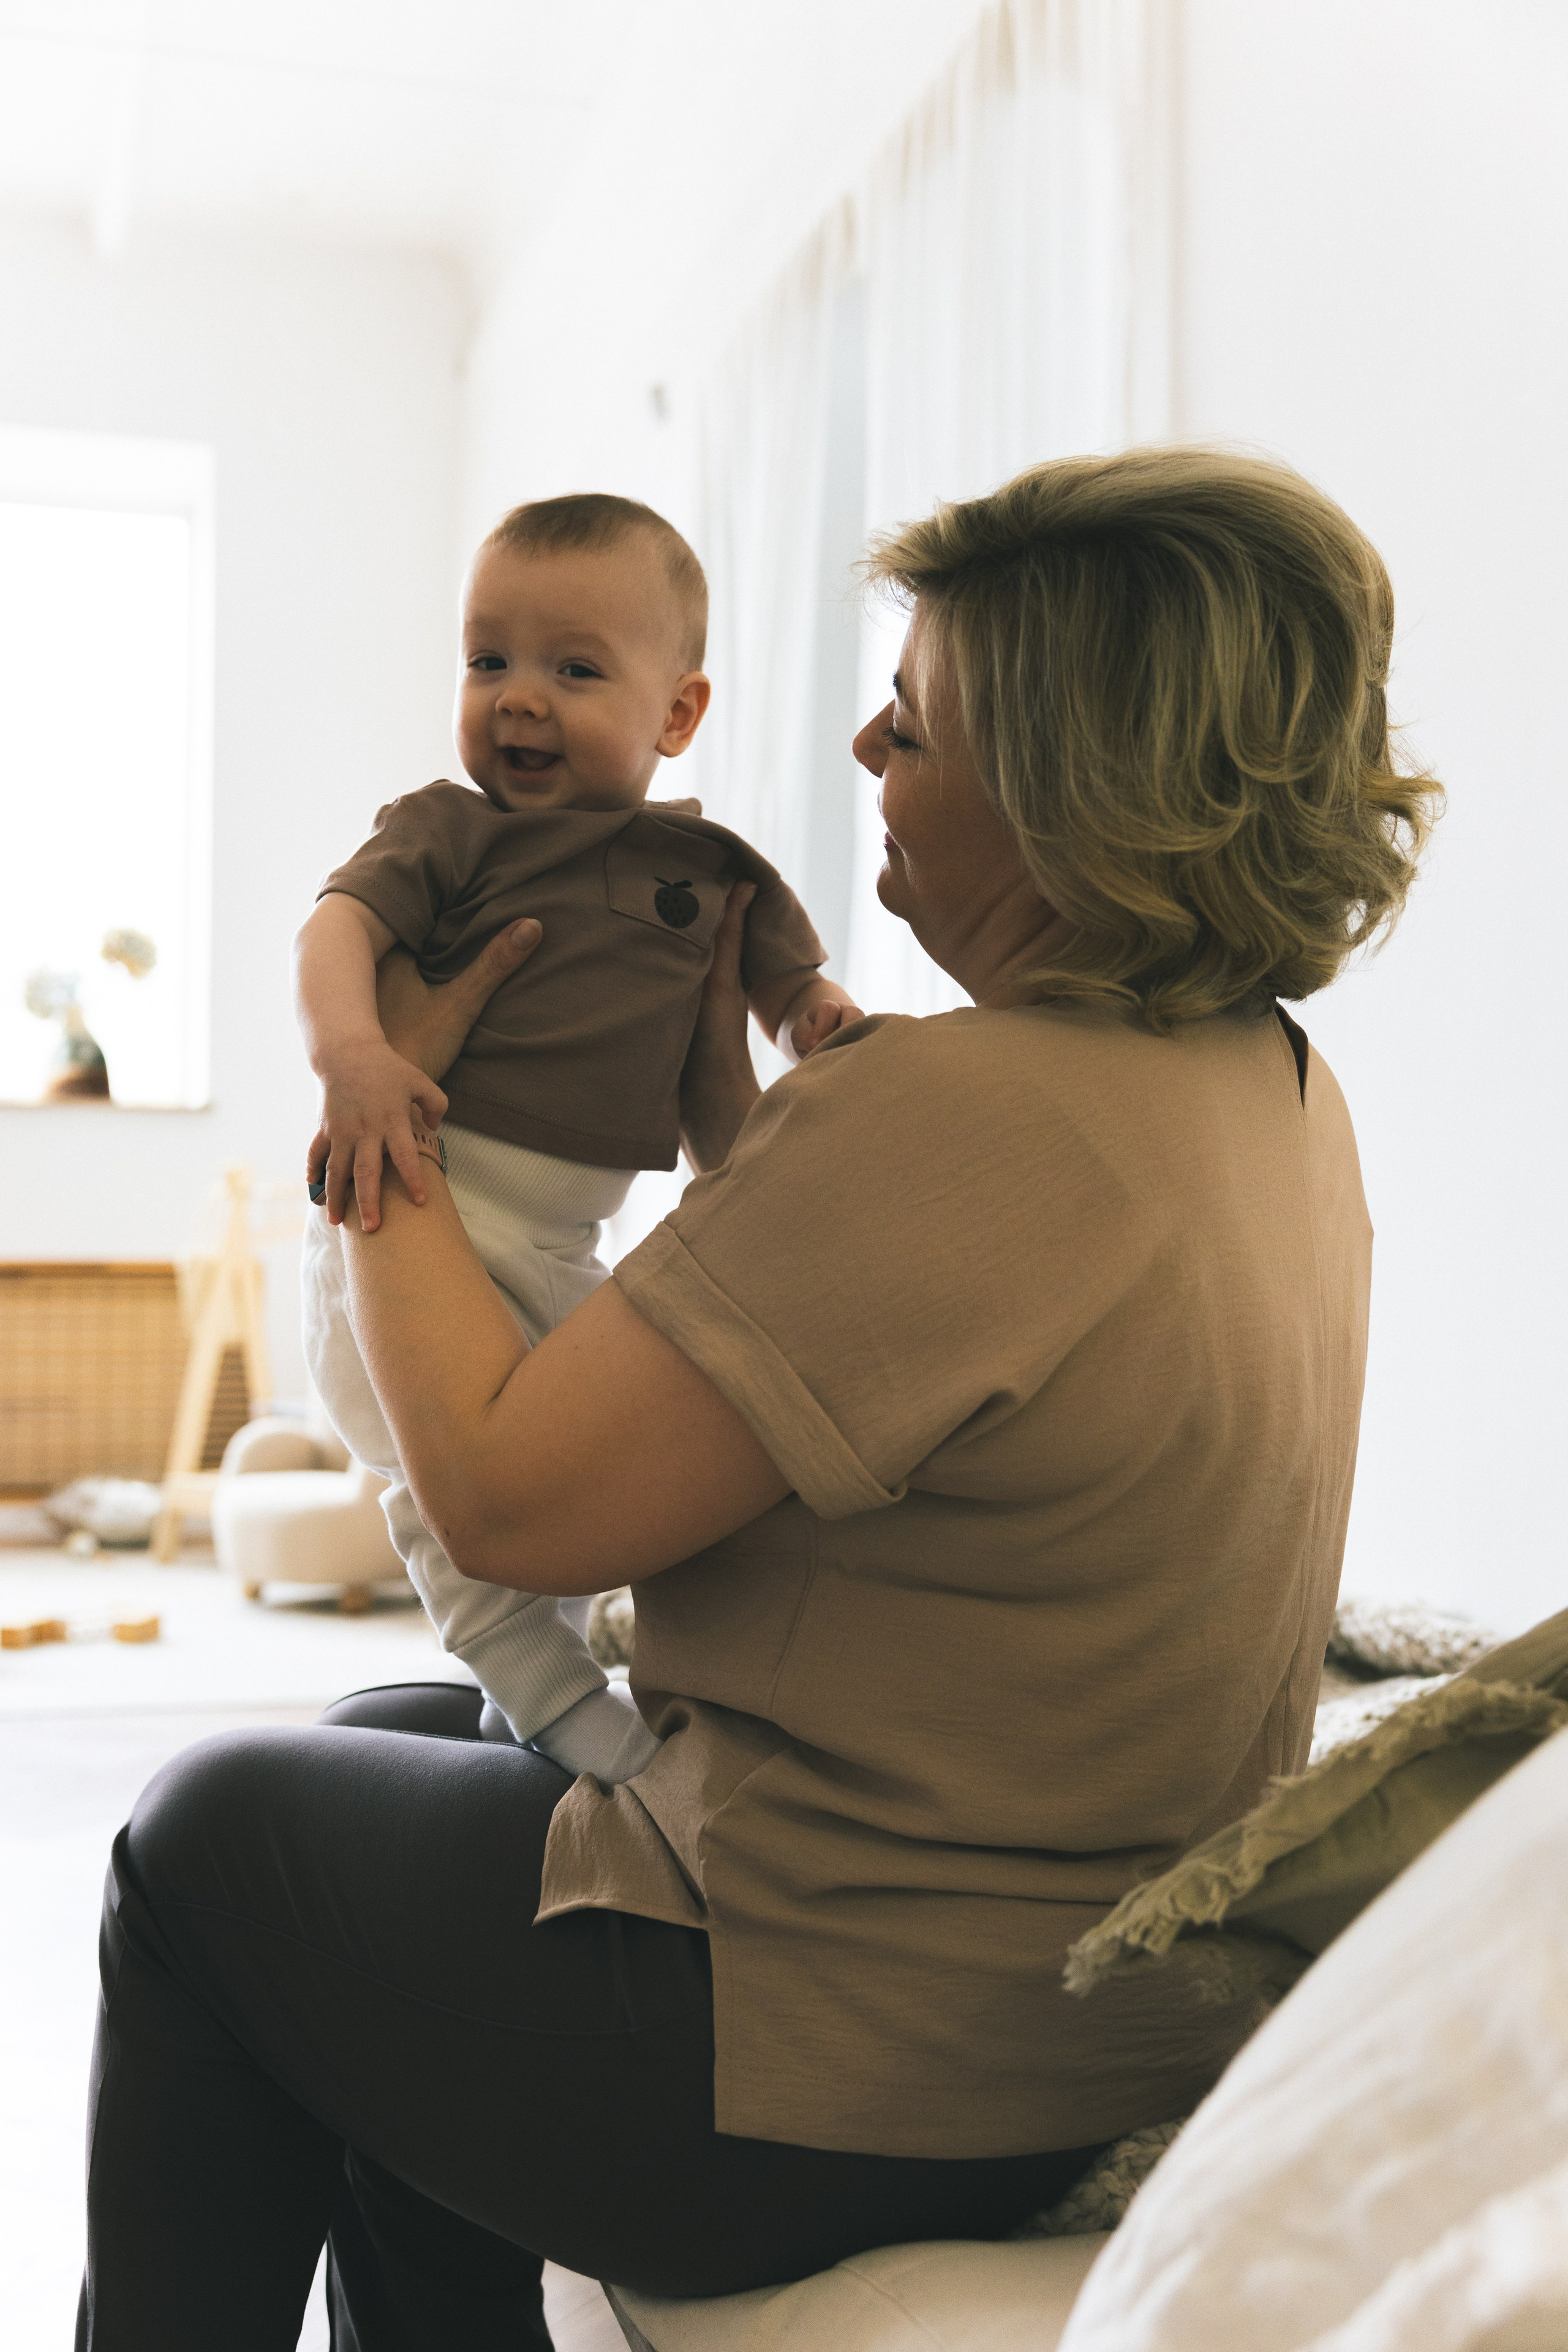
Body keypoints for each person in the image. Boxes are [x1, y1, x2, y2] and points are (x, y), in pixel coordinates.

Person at [77, 449, 1439, 2352]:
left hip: (835, 2051)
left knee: (207, 1836)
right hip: (1085, 2013)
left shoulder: (968, 1108)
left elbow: (501, 1499)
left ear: (1074, 783)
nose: (869, 747)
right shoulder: (1272, 1093)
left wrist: (389, 1110)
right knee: (398, 1727)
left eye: (919, 720)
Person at [293, 492, 861, 1782]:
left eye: (574, 669)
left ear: (678, 713)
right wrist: (355, 1058)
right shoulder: (448, 830)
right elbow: (332, 932)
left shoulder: (710, 865)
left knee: (585, 1476)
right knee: (446, 1504)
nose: (519, 700)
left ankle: (527, 1718)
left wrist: (808, 1016)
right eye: (488, 659)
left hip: (566, 1247)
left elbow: (781, 981)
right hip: (416, 1205)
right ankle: (556, 1706)